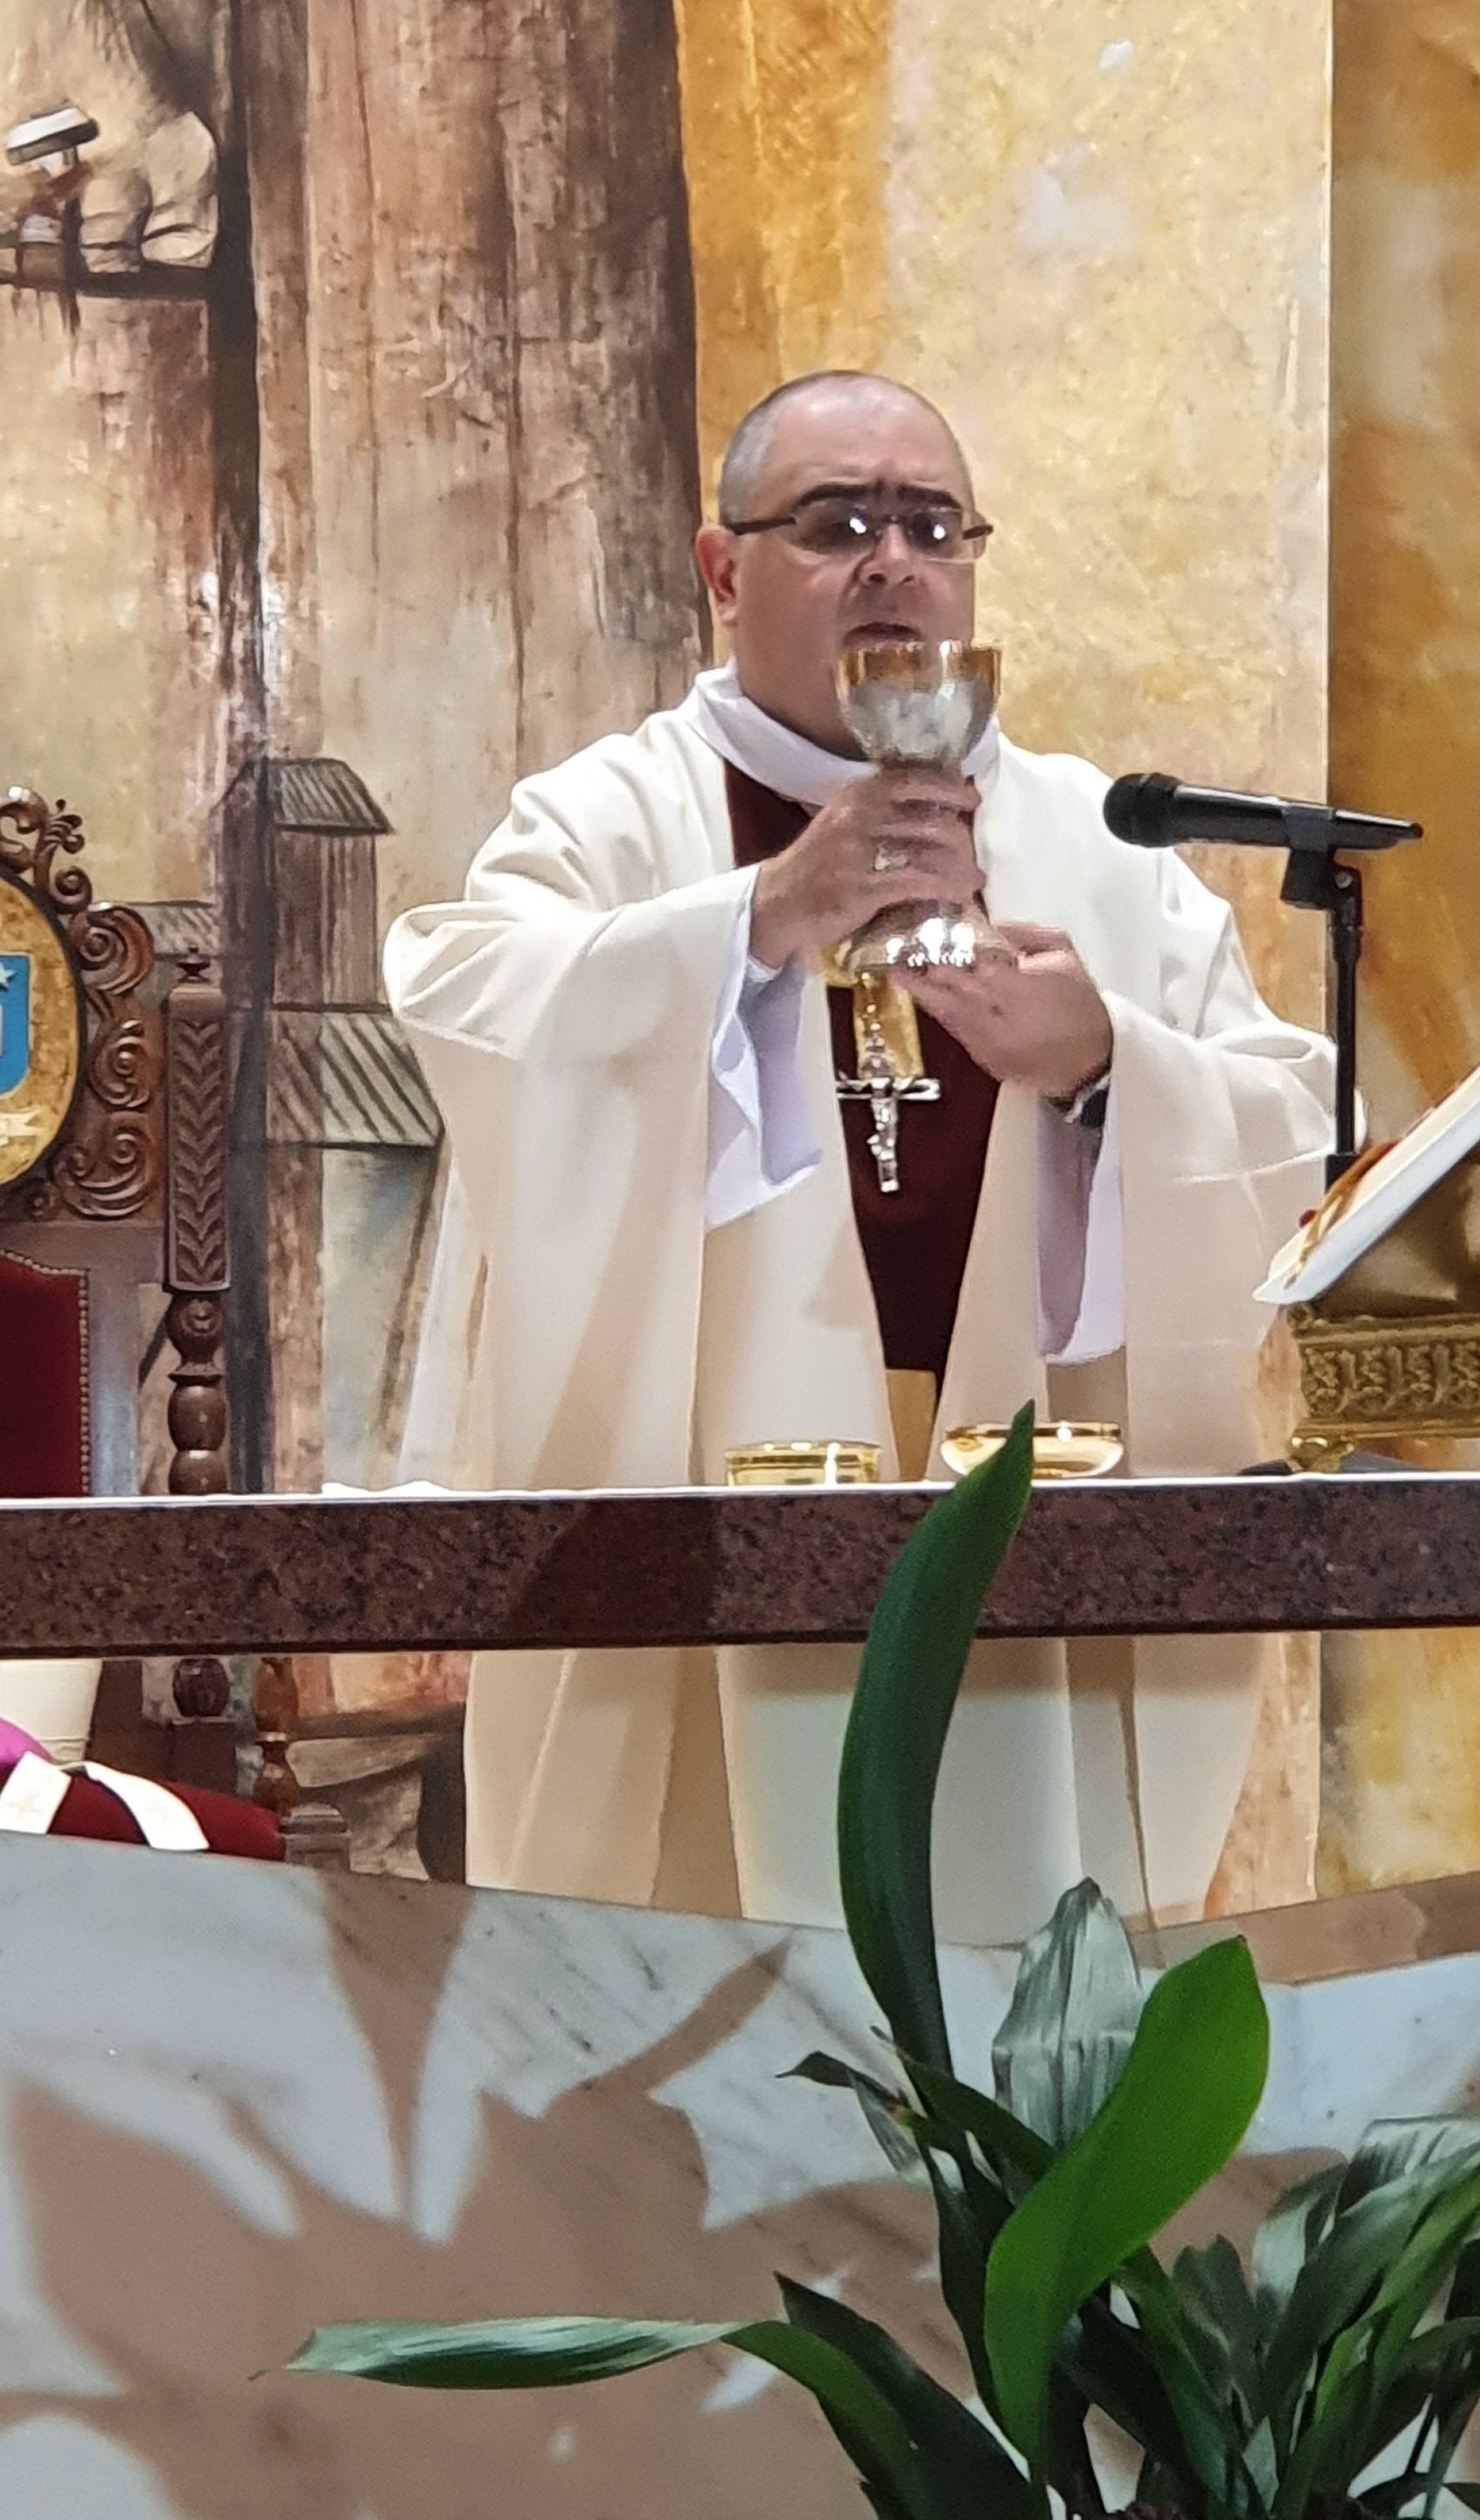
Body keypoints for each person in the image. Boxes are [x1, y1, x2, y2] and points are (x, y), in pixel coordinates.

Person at [386, 373, 1334, 1932]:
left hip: (1026, 1519)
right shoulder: (611, 821)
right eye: (837, 524)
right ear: (722, 570)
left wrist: (1104, 1066)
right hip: (704, 1537)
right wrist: (757, 918)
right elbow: (477, 1007)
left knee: (1019, 1978)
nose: (895, 562)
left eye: (933, 527)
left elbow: (1286, 1132)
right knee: (711, 1972)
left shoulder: (1102, 847)